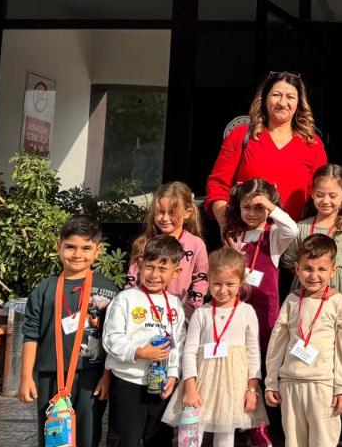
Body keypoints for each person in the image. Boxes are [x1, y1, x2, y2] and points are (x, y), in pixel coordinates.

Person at [19, 215, 119, 447]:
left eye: (86, 248)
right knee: (53, 436)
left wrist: (106, 377)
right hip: (50, 376)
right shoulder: (45, 289)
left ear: (97, 251)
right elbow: (31, 333)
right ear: (59, 247)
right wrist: (25, 377)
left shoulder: (109, 290)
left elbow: (112, 340)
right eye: (70, 247)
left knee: (88, 436)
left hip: (90, 377)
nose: (77, 254)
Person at [221, 178, 300, 447]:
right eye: (247, 207)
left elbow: (292, 229)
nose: (252, 213)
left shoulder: (274, 235)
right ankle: (241, 421)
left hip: (264, 313)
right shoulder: (234, 234)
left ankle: (263, 424)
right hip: (237, 310)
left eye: (259, 208)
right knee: (238, 366)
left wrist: (271, 206)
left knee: (263, 367)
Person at [162, 247, 266, 444]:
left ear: (241, 282)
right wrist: (190, 388)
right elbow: (189, 352)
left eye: (230, 284)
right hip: (200, 385)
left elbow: (254, 353)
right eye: (217, 283)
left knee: (225, 437)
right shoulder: (201, 313)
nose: (223, 290)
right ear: (209, 281)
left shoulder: (247, 312)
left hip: (233, 386)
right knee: (190, 437)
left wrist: (252, 389)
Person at [206, 71, 329, 233]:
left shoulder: (312, 145)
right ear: (264, 99)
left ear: (299, 103)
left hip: (294, 239)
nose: (282, 103)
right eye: (276, 95)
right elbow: (218, 185)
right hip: (247, 237)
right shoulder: (241, 135)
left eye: (290, 97)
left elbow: (322, 193)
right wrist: (227, 226)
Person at [264, 234, 342, 447]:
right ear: (297, 269)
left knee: (323, 441)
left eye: (321, 269)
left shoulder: (338, 303)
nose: (314, 275)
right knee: (293, 442)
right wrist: (271, 381)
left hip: (323, 386)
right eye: (307, 268)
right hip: (291, 385)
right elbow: (277, 343)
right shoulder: (291, 301)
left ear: (333, 271)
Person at [103, 235, 188, 447]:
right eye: (149, 267)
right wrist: (139, 352)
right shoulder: (125, 299)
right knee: (125, 439)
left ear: (176, 272)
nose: (154, 275)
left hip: (161, 385)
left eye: (162, 269)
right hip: (128, 383)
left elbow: (178, 344)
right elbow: (111, 338)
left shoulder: (175, 304)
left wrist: (173, 374)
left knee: (159, 439)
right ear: (140, 264)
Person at [282, 164, 342, 305]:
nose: (325, 201)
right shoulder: (301, 228)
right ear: (312, 193)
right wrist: (310, 277)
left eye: (332, 196)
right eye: (319, 195)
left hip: (341, 300)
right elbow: (290, 261)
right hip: (306, 301)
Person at [124, 181, 210, 312]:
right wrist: (131, 307)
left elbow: (200, 281)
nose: (165, 218)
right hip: (142, 313)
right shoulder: (144, 243)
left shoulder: (196, 245)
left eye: (172, 213)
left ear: (187, 213)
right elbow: (132, 279)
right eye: (160, 212)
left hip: (179, 314)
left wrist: (188, 312)